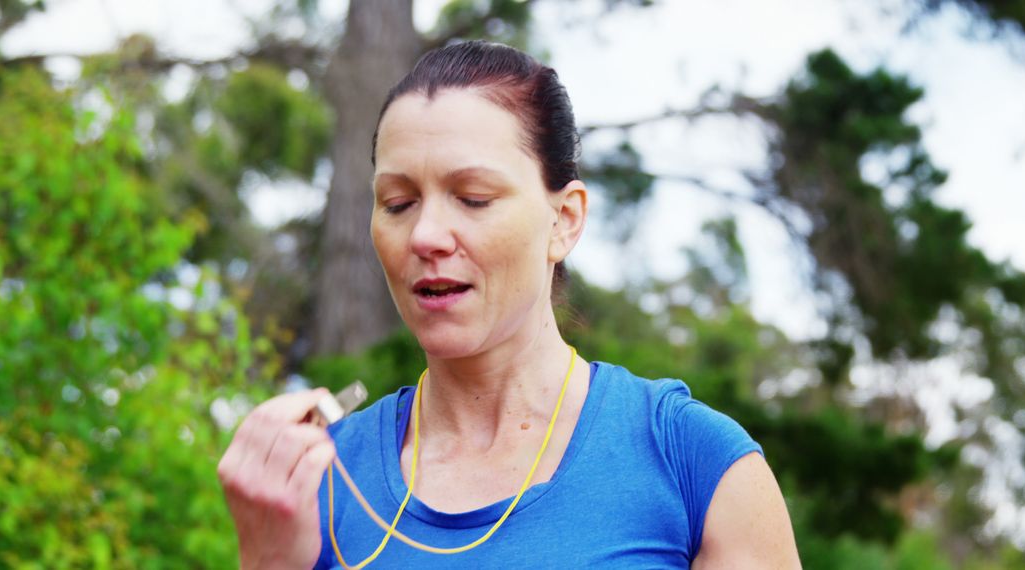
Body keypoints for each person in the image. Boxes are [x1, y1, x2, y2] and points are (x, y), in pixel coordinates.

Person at [217, 40, 800, 569]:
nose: (425, 236)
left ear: (564, 220)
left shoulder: (697, 465)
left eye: (472, 198)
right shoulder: (315, 477)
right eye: (397, 203)